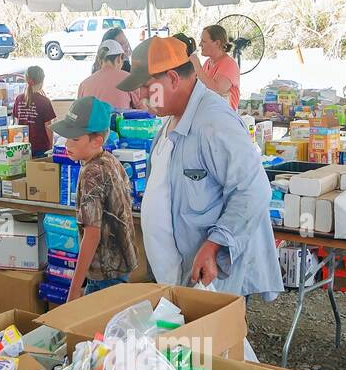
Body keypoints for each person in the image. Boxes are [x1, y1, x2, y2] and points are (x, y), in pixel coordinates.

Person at [118, 36, 281, 302]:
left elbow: (254, 190)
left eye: (147, 87)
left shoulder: (214, 122)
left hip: (212, 278)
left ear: (172, 78)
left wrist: (215, 244)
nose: (142, 97)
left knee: (215, 341)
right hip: (180, 276)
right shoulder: (170, 119)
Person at [52, 96, 137, 299]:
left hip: (106, 273)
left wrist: (74, 289)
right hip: (119, 266)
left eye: (75, 138)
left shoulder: (92, 173)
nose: (67, 144)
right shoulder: (110, 160)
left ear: (96, 140)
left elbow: (92, 234)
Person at [77, 41, 140, 110]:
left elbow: (79, 111)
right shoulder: (130, 79)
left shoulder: (84, 84)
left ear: (99, 59)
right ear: (119, 58)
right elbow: (140, 108)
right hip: (119, 120)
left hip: (93, 121)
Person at [11, 65, 56, 156]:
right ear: (42, 81)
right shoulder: (44, 101)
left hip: (21, 146)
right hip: (40, 147)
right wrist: (51, 147)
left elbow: (15, 124)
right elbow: (49, 127)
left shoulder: (19, 99)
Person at [196, 25, 241, 111]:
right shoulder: (207, 63)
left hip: (224, 118)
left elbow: (217, 89)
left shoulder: (229, 64)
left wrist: (197, 67)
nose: (200, 44)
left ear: (217, 43)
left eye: (204, 41)